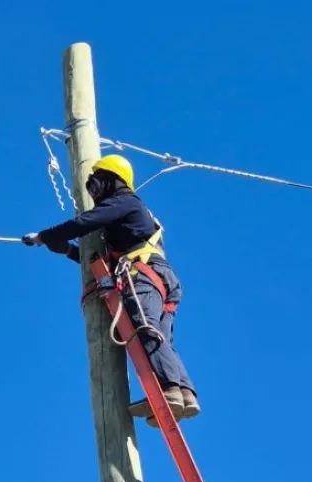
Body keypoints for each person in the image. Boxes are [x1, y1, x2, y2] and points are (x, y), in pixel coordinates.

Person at [21, 154, 199, 426]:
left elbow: (83, 223)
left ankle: (169, 389)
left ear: (112, 180)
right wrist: (68, 250)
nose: (92, 190)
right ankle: (183, 393)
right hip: (158, 277)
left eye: (96, 182)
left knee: (145, 329)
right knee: (160, 336)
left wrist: (45, 236)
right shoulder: (128, 217)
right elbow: (102, 261)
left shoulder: (124, 201)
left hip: (144, 274)